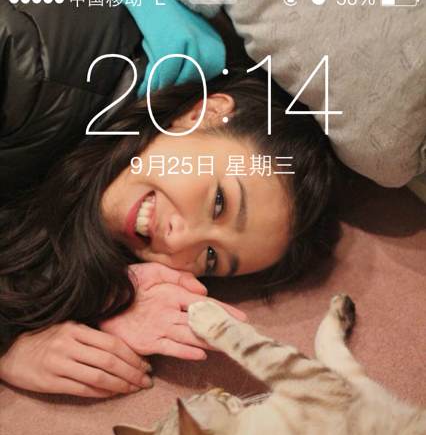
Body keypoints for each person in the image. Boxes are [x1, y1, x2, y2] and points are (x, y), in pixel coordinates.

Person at [0, 67, 342, 399]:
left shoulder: (95, 213)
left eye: (211, 257)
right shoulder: (39, 75)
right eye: (219, 203)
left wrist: (108, 297)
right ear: (205, 114)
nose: (178, 241)